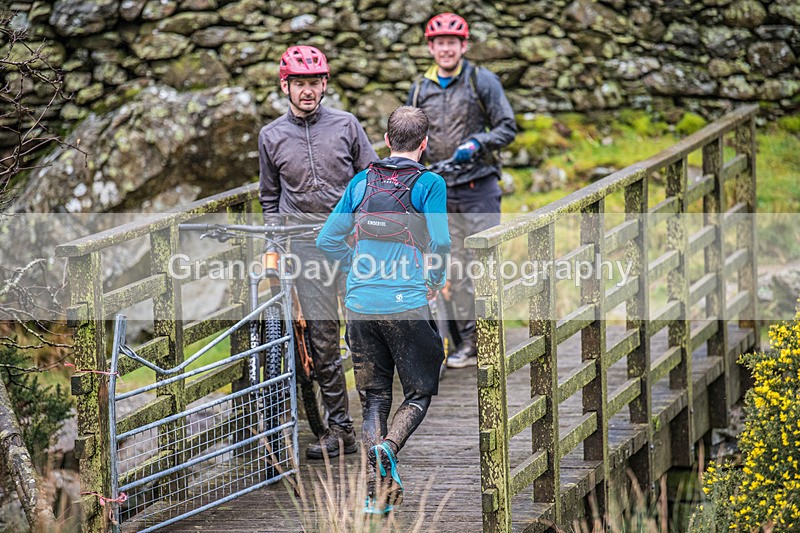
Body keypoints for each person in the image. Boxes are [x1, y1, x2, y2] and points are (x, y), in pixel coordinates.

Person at [316, 106, 450, 514]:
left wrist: (355, 264)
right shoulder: (430, 183)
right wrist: (433, 280)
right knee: (420, 390)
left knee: (374, 397)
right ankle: (390, 446)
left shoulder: (361, 181)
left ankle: (378, 493)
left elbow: (326, 240)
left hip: (359, 305)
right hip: (406, 304)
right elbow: (441, 243)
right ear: (424, 144)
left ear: (387, 140)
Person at [258, 45, 378, 459]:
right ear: (285, 86)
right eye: (299, 84)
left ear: (324, 84)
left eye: (313, 83)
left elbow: (372, 179)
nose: (307, 91)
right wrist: (272, 244)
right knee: (322, 340)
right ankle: (339, 429)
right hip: (306, 247)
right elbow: (269, 199)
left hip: (351, 242)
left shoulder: (346, 125)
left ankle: (375, 425)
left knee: (365, 332)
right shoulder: (271, 136)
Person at [407, 13, 516, 368]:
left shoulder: (480, 80)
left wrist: (479, 142)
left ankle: (488, 341)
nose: (446, 49)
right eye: (440, 43)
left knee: (481, 264)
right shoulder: (420, 87)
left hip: (478, 186)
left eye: (453, 43)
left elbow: (507, 127)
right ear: (431, 47)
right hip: (440, 187)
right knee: (449, 266)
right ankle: (466, 342)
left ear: (463, 46)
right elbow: (412, 134)